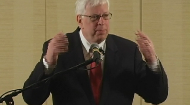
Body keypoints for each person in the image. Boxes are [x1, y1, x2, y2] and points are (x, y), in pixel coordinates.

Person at [22, 0, 168, 105]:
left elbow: (157, 96)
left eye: (105, 16)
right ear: (79, 20)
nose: (101, 22)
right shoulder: (59, 49)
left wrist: (152, 62)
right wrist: (49, 63)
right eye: (94, 17)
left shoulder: (127, 51)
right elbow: (31, 99)